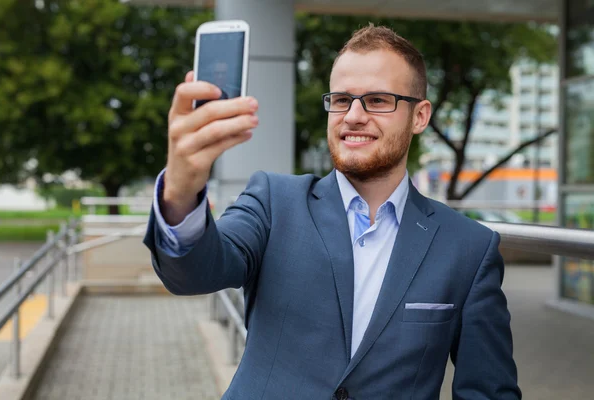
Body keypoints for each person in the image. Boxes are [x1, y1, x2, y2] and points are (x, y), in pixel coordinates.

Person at [144, 24, 521, 400]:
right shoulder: (274, 201)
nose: (353, 115)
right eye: (341, 100)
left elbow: (489, 391)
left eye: (377, 100)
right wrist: (180, 189)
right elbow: (194, 273)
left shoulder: (470, 247)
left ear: (420, 116)